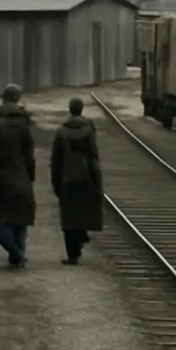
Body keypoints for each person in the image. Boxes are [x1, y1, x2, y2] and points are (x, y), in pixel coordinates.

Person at [0, 83, 36, 268]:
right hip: (21, 174)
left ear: (3, 97)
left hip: (1, 176)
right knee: (21, 218)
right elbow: (29, 155)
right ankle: (17, 255)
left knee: (6, 217)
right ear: (18, 98)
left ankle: (16, 255)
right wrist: (30, 175)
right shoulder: (24, 123)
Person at [50, 97, 104, 265]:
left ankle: (73, 254)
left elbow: (56, 160)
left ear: (70, 109)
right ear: (81, 109)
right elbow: (93, 156)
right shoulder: (89, 130)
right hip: (86, 176)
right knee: (84, 209)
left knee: (68, 216)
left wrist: (56, 182)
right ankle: (82, 235)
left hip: (67, 177)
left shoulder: (61, 132)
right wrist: (97, 179)